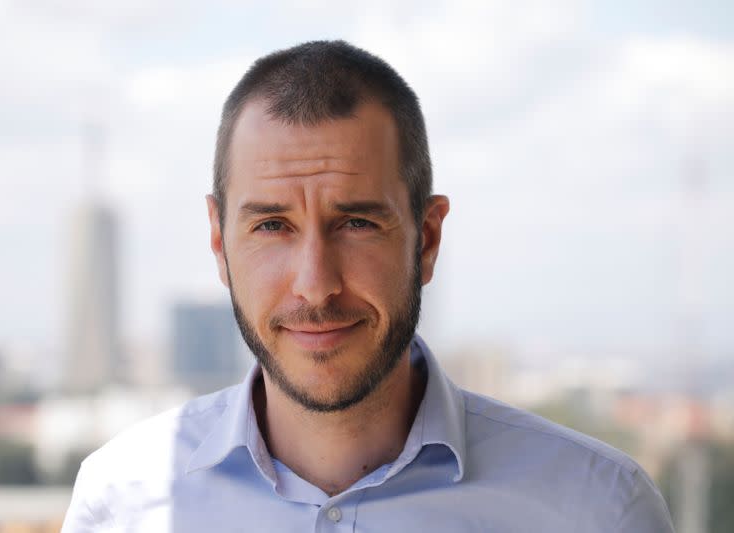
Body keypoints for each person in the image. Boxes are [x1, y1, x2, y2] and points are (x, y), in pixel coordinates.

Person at [62, 40, 674, 532]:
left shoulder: (598, 510)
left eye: (356, 223)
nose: (315, 284)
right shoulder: (119, 504)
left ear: (427, 240)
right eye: (272, 225)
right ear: (220, 244)